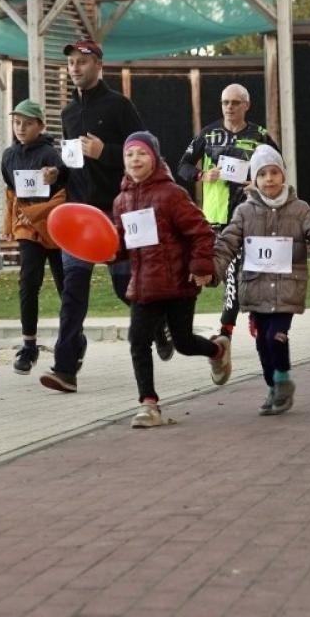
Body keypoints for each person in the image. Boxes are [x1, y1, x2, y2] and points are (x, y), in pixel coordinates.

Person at [208, 144, 310, 416]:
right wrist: (212, 267)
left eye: (274, 172)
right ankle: (273, 386)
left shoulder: (299, 209)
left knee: (276, 337)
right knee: (262, 344)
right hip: (255, 289)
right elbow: (227, 244)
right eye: (262, 174)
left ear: (283, 175)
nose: (269, 179)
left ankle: (283, 382)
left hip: (287, 289)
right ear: (255, 180)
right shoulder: (244, 212)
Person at [39, 39, 143, 393]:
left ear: (99, 64)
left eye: (81, 61)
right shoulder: (69, 114)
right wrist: (58, 175)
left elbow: (142, 154)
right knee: (73, 290)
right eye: (70, 62)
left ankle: (158, 323)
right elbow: (73, 162)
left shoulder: (119, 106)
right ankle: (65, 368)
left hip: (116, 211)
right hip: (79, 215)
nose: (74, 68)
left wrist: (105, 151)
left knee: (124, 287)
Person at [114, 132, 231, 427]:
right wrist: (100, 248)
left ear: (154, 158)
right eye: (129, 155)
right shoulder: (121, 201)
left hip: (178, 284)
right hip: (143, 285)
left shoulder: (171, 194)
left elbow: (202, 232)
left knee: (184, 343)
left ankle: (217, 349)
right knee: (137, 341)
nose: (135, 160)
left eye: (141, 154)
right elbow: (120, 244)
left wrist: (201, 265)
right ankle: (148, 405)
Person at [177, 83, 277, 358]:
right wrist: (201, 176)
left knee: (239, 272)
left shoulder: (259, 135)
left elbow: (277, 171)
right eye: (225, 103)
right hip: (215, 217)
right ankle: (246, 317)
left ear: (247, 105)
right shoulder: (208, 134)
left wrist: (258, 184)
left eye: (235, 102)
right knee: (223, 274)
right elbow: (182, 166)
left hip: (250, 215)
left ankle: (226, 332)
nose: (229, 108)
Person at [1, 98, 67, 374]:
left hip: (55, 226)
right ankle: (28, 347)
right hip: (28, 227)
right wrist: (12, 220)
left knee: (66, 286)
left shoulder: (51, 155)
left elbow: (64, 183)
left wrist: (54, 175)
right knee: (29, 282)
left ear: (40, 126)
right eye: (17, 122)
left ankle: (73, 339)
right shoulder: (9, 156)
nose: (21, 128)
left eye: (28, 123)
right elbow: (11, 190)